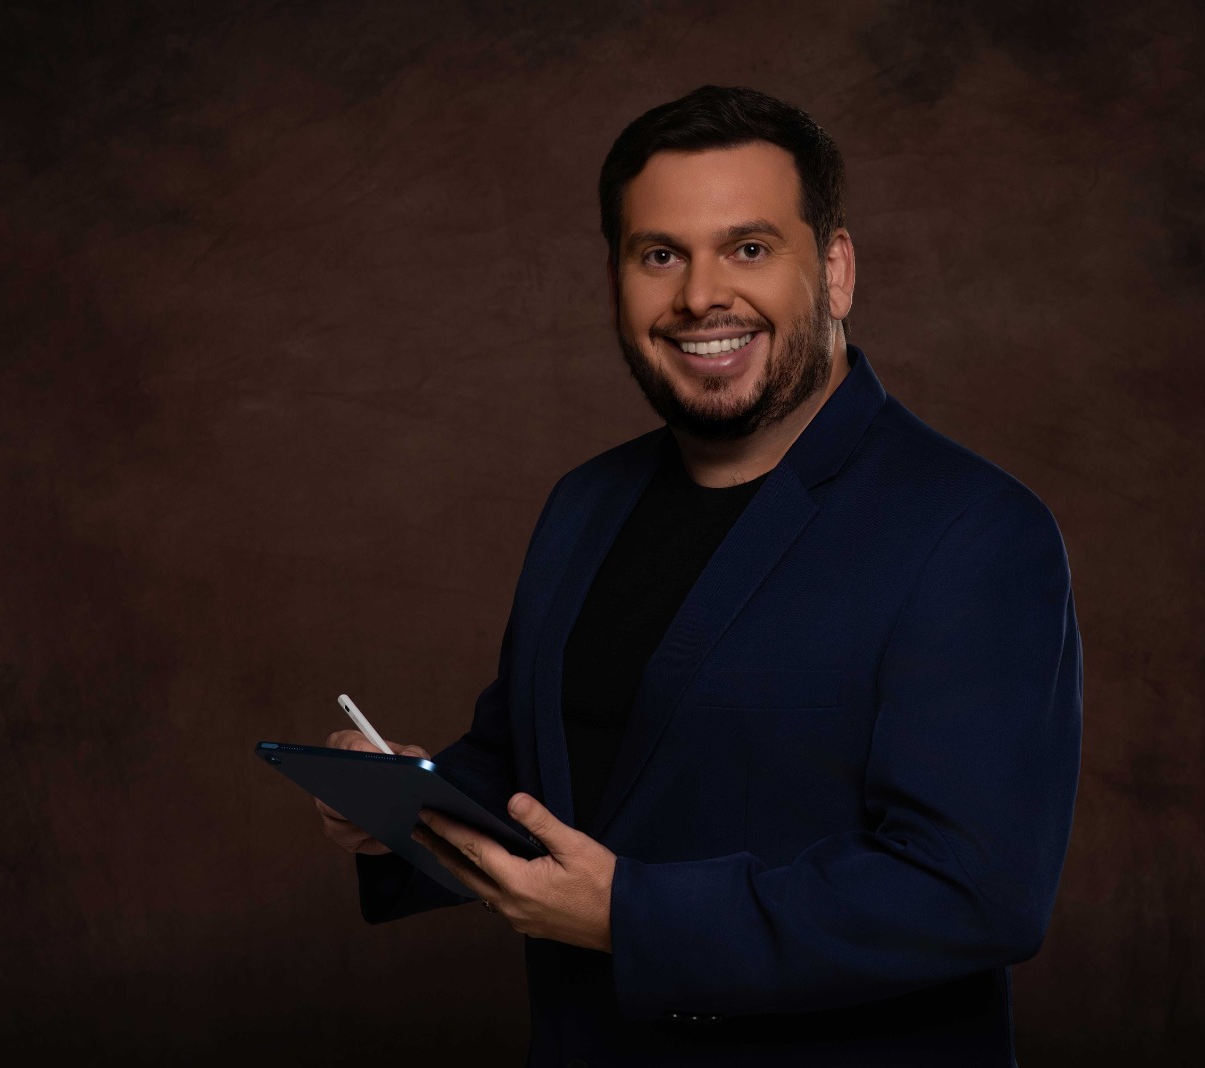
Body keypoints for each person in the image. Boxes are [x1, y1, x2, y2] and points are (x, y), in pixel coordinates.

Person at [317, 85, 1081, 1066]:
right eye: (660, 255)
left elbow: (973, 892)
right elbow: (542, 765)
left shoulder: (975, 529)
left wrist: (631, 917)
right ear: (616, 280)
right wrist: (407, 807)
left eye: (748, 248)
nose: (699, 297)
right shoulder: (584, 503)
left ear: (835, 270)